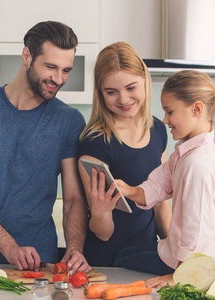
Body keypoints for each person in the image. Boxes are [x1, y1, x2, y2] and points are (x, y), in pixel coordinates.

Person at [0, 21, 91, 274]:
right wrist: (11, 248)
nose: (58, 79)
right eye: (51, 67)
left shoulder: (69, 121)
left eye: (66, 70)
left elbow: (73, 199)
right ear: (27, 56)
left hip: (39, 267)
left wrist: (75, 248)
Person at [116, 69, 215, 288]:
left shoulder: (197, 164)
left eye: (170, 112)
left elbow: (195, 231)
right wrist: (128, 190)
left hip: (196, 264)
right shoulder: (186, 152)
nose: (165, 120)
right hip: (178, 252)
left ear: (196, 109)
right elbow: (160, 182)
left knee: (120, 258)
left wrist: (178, 276)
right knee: (125, 255)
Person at [77, 42, 172, 270]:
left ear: (145, 81)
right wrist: (100, 212)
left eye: (131, 88)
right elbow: (102, 233)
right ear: (100, 93)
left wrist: (176, 250)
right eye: (111, 92)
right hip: (109, 263)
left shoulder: (158, 129)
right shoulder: (95, 142)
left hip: (147, 255)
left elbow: (160, 203)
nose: (123, 99)